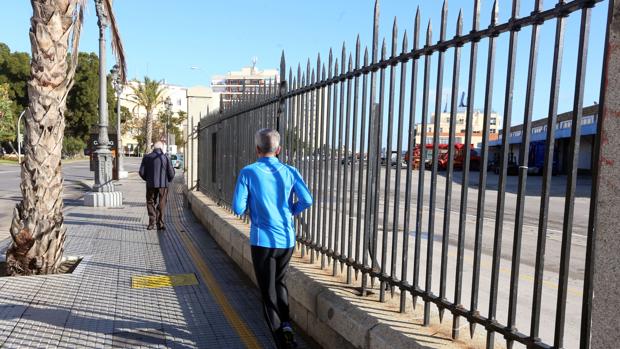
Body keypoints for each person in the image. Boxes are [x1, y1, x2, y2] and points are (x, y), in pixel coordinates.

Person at [232, 128, 312, 349]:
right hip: (287, 240)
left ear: (257, 149)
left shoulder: (248, 172)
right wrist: (290, 211)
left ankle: (282, 342)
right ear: (279, 150)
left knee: (268, 293)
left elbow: (238, 207)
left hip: (263, 241)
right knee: (280, 283)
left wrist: (254, 208)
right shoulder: (290, 171)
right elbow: (307, 199)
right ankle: (286, 326)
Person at [139, 141, 175, 230]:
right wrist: (168, 181)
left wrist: (147, 179)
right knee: (162, 202)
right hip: (163, 185)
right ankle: (160, 223)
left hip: (150, 184)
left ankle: (151, 223)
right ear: (161, 148)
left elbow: (141, 172)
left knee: (150, 202)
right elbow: (171, 173)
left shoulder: (147, 157)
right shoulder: (166, 158)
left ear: (153, 148)